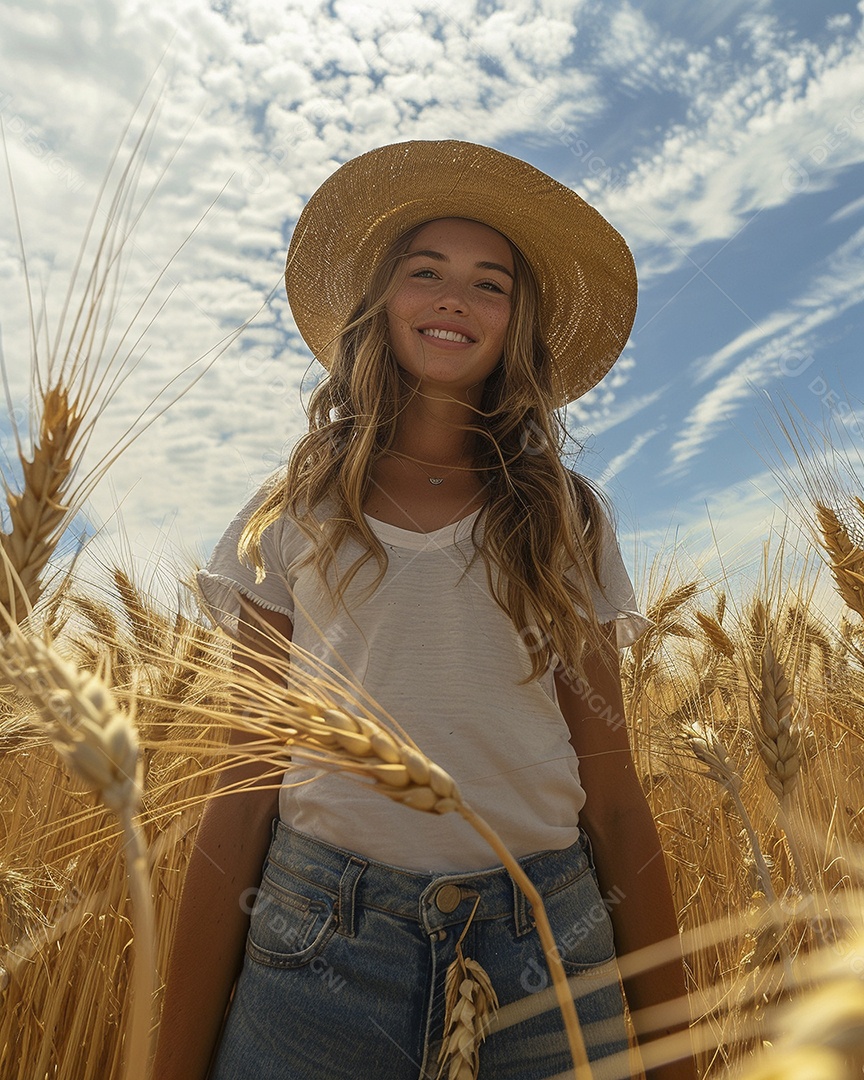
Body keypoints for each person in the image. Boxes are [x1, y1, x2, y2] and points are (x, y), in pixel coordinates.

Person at [153, 140, 695, 1080]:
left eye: (490, 284)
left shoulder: (566, 518)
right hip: (318, 947)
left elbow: (611, 796)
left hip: (545, 945)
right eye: (426, 271)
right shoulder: (291, 515)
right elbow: (241, 795)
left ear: (517, 324)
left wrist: (677, 1059)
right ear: (380, 303)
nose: (455, 298)